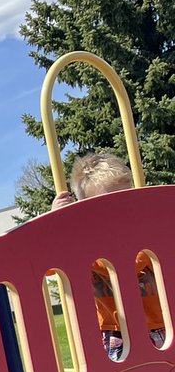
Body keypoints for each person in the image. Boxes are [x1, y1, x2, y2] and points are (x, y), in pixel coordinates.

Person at [51, 153, 165, 359]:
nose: (119, 213)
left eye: (126, 201)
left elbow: (137, 261)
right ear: (86, 212)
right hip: (117, 330)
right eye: (107, 206)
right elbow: (49, 262)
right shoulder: (83, 244)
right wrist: (56, 223)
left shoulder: (144, 232)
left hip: (162, 321)